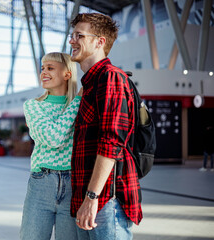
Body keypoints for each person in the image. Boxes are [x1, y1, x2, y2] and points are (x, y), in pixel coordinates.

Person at [68, 13, 141, 239]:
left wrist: (91, 197)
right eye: (72, 35)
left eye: (79, 35)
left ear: (100, 42)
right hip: (89, 201)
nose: (72, 41)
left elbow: (111, 143)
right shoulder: (90, 84)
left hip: (107, 201)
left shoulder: (111, 78)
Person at [20, 52, 82, 240]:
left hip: (74, 184)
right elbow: (53, 138)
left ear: (67, 74)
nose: (43, 73)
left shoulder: (82, 106)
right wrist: (77, 102)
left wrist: (78, 102)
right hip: (42, 183)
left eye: (50, 68)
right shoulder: (32, 106)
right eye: (42, 68)